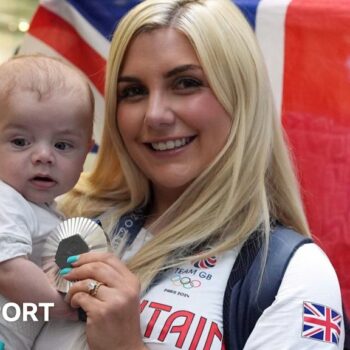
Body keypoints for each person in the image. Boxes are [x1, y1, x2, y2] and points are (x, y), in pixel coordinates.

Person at [33, 0, 345, 349]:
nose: (155, 115)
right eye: (133, 91)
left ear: (241, 96)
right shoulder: (63, 220)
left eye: (185, 83)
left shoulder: (293, 276)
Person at [0, 54, 94, 350]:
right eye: (20, 142)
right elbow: (8, 269)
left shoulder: (49, 211)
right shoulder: (5, 199)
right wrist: (66, 307)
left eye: (62, 145)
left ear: (85, 154)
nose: (43, 156)